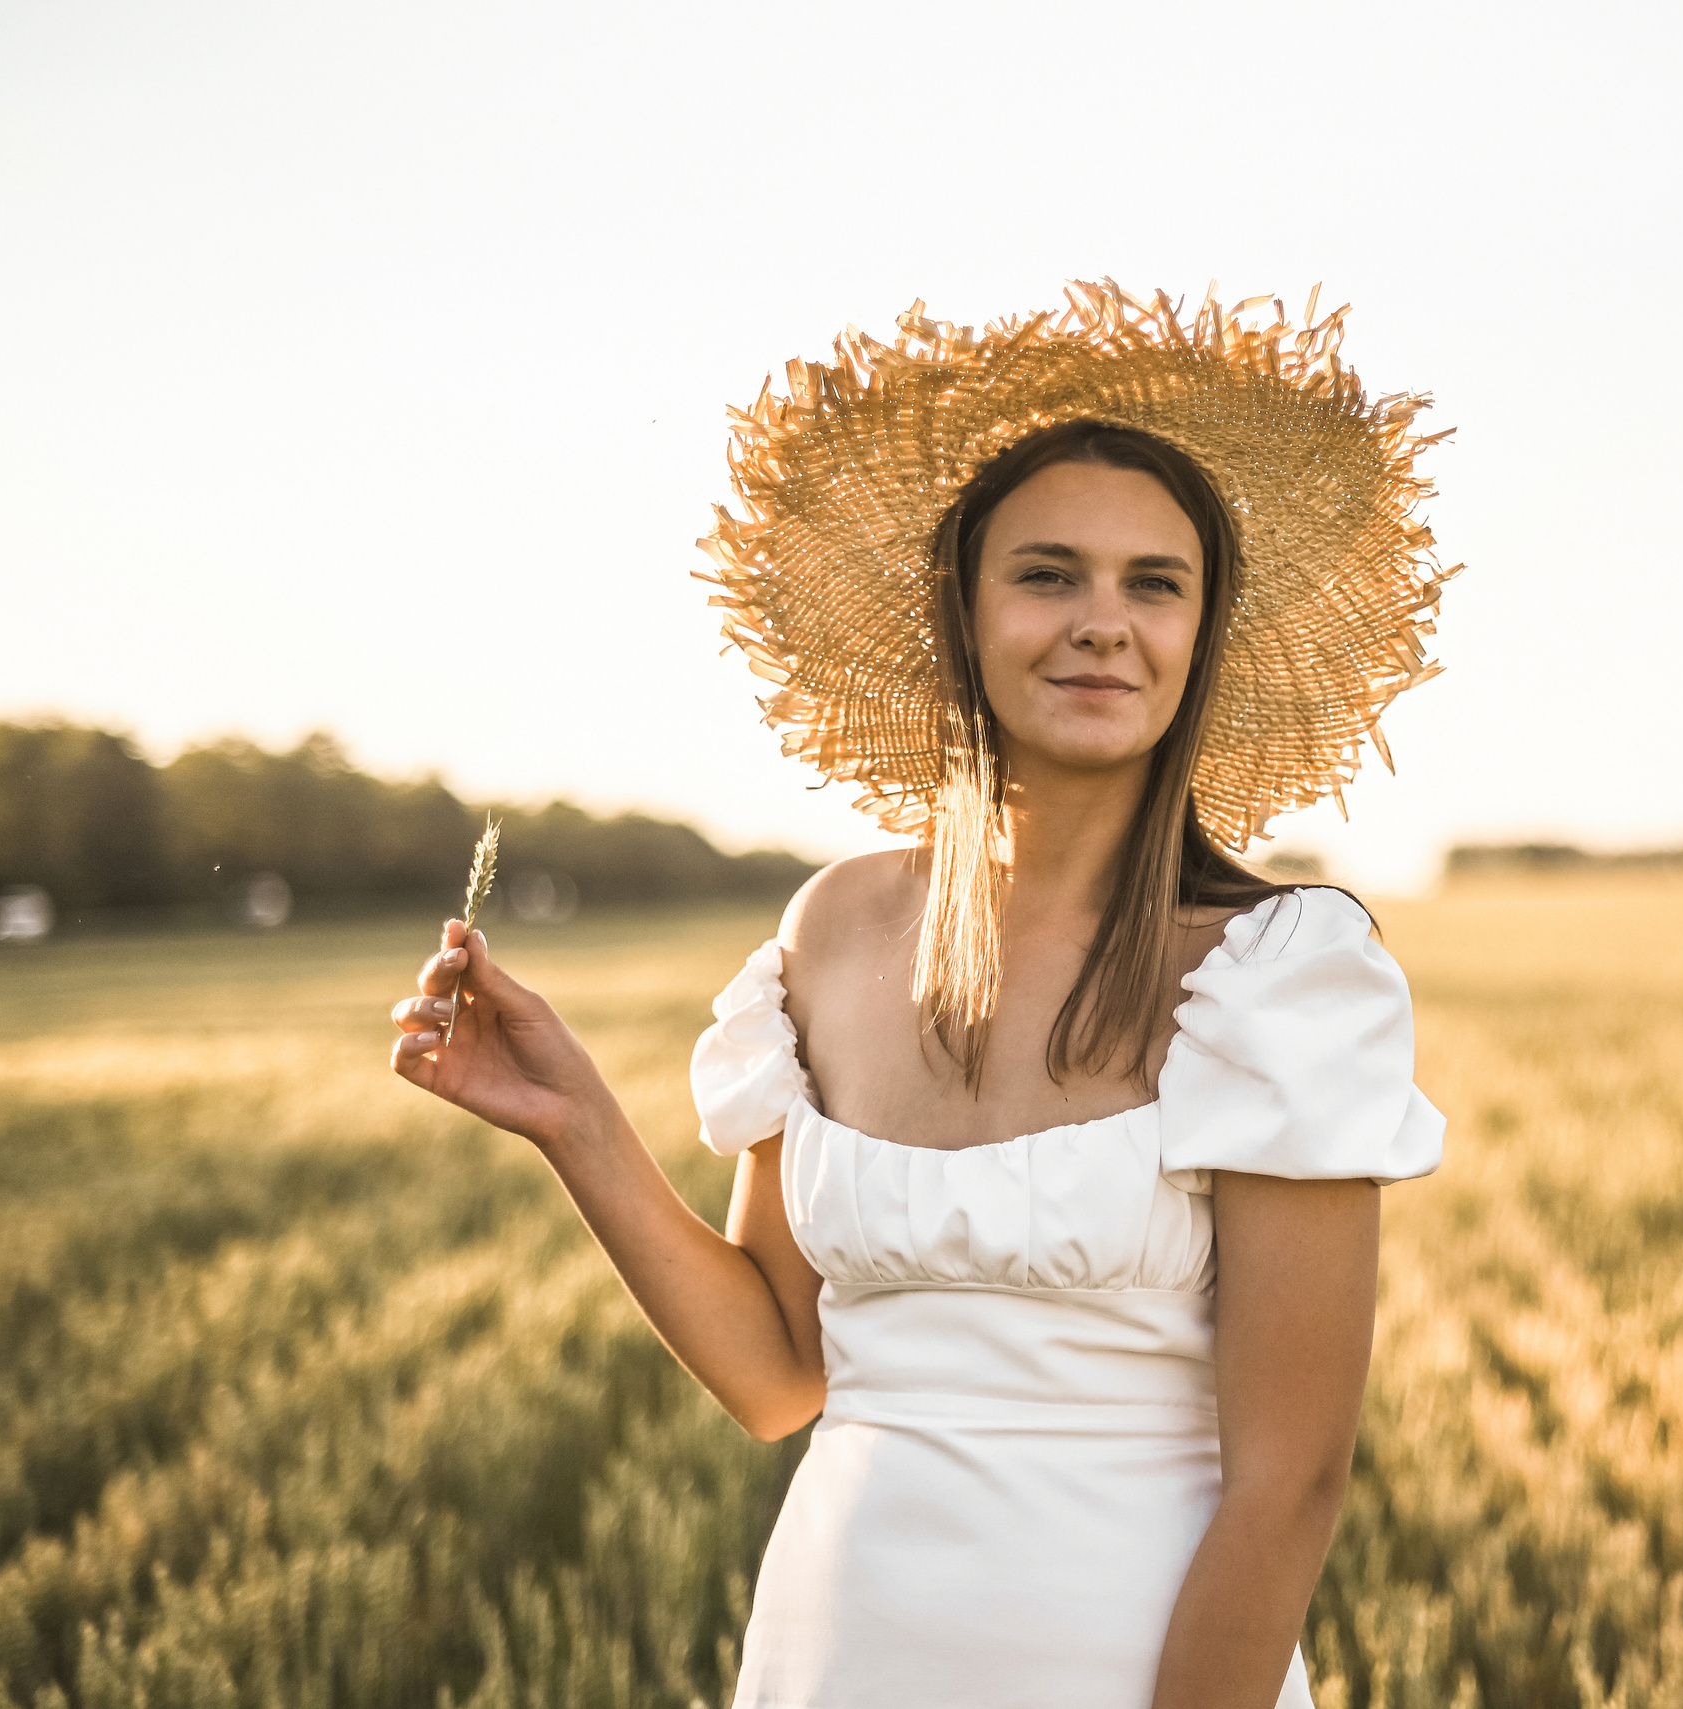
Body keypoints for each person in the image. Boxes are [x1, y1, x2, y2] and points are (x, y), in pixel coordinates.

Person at [388, 284, 1455, 1709]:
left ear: (1201, 635)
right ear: (962, 609)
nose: (1102, 624)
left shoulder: (1279, 977)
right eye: (1048, 574)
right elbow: (779, 1372)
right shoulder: (834, 930)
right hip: (840, 1658)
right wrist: (574, 1118)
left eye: (1156, 583)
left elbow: (1290, 1483)